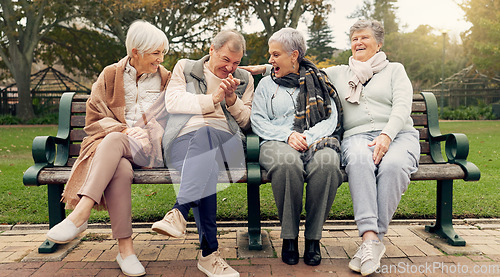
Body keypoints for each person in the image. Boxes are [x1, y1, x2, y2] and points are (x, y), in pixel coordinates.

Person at [242, 19, 420, 276]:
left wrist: (386, 135)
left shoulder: (395, 70)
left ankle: (367, 240)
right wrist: (268, 67)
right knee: (355, 161)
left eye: (364, 38)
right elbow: (297, 66)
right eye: (354, 38)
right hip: (356, 137)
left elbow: (401, 107)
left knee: (385, 166)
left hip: (396, 134)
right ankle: (293, 238)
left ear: (379, 43)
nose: (358, 42)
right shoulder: (339, 73)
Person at [46, 20, 171, 277]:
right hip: (115, 150)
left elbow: (171, 118)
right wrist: (124, 130)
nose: (160, 59)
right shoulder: (110, 75)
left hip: (148, 151)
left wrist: (146, 131)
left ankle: (80, 213)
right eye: (155, 53)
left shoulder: (166, 79)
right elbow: (94, 115)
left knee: (114, 141)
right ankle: (126, 251)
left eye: (162, 53)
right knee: (120, 168)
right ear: (135, 51)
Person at [151, 30, 253, 277]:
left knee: (206, 141)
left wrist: (231, 100)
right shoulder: (185, 68)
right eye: (226, 60)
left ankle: (179, 212)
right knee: (203, 154)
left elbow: (248, 122)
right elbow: (173, 102)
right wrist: (213, 98)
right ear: (211, 51)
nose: (230, 68)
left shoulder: (245, 79)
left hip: (227, 144)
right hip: (182, 141)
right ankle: (209, 256)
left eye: (236, 62)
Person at [250, 28, 343, 266]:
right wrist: (288, 134)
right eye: (270, 55)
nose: (270, 60)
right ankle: (289, 237)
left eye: (275, 54)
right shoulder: (266, 85)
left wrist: (308, 136)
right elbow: (258, 120)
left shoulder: (318, 80)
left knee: (328, 165)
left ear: (294, 56)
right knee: (286, 164)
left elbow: (330, 118)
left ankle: (313, 239)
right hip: (275, 141)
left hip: (314, 140)